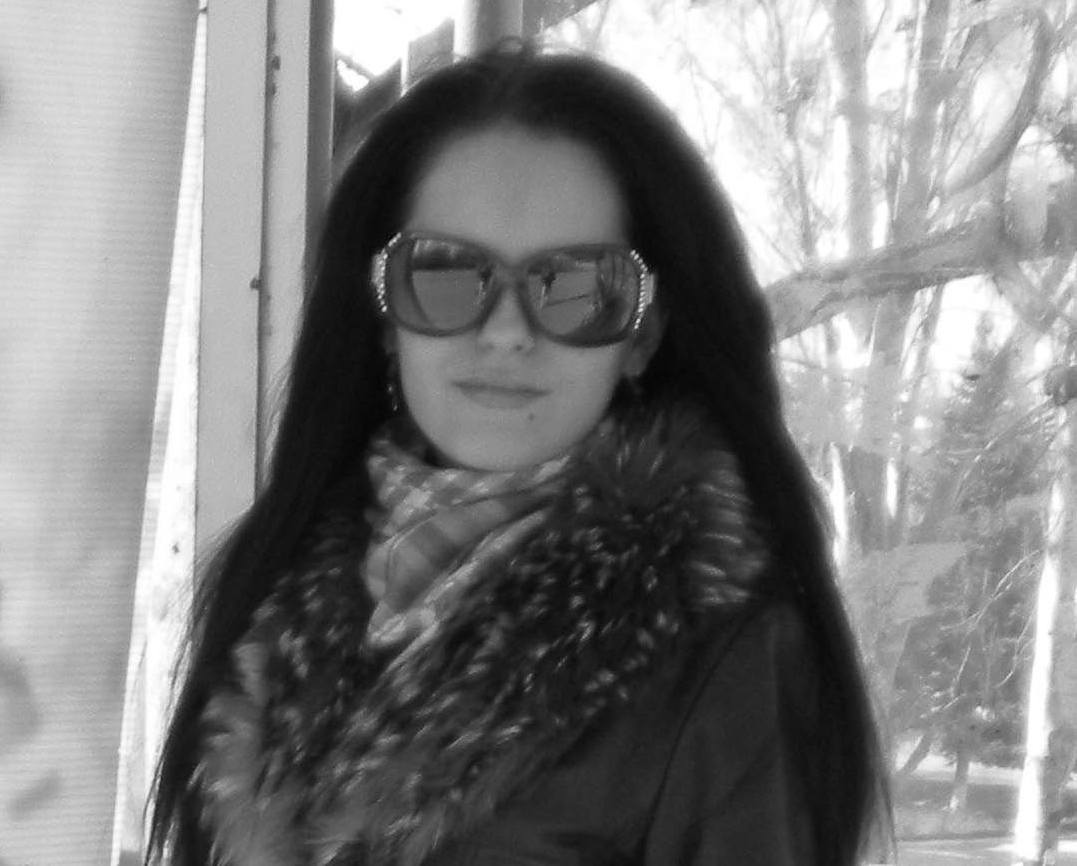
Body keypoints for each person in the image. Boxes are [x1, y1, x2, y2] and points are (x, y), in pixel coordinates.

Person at [145, 42, 889, 865]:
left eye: (577, 288)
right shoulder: (270, 602)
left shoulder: (731, 661)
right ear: (385, 314)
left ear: (641, 335)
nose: (505, 332)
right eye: (444, 274)